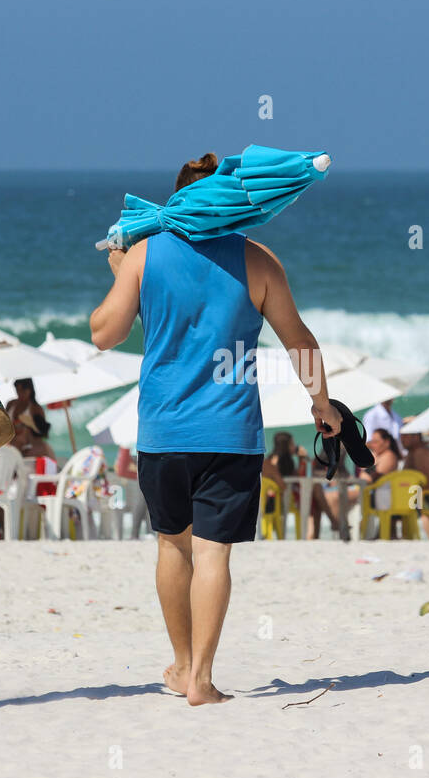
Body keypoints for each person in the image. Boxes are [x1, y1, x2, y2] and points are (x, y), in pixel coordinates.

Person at [89, 151, 341, 706]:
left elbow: (102, 333)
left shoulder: (145, 253)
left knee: (173, 548)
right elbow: (299, 341)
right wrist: (321, 403)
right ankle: (200, 678)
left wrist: (120, 273)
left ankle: (181, 666)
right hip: (229, 433)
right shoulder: (257, 260)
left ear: (176, 200)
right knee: (213, 555)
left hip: (163, 430)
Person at [6, 378, 56, 460]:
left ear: (30, 390)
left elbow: (42, 432)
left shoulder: (36, 409)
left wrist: (30, 425)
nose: (20, 393)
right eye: (17, 390)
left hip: (26, 447)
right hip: (10, 443)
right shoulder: (11, 404)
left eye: (23, 390)